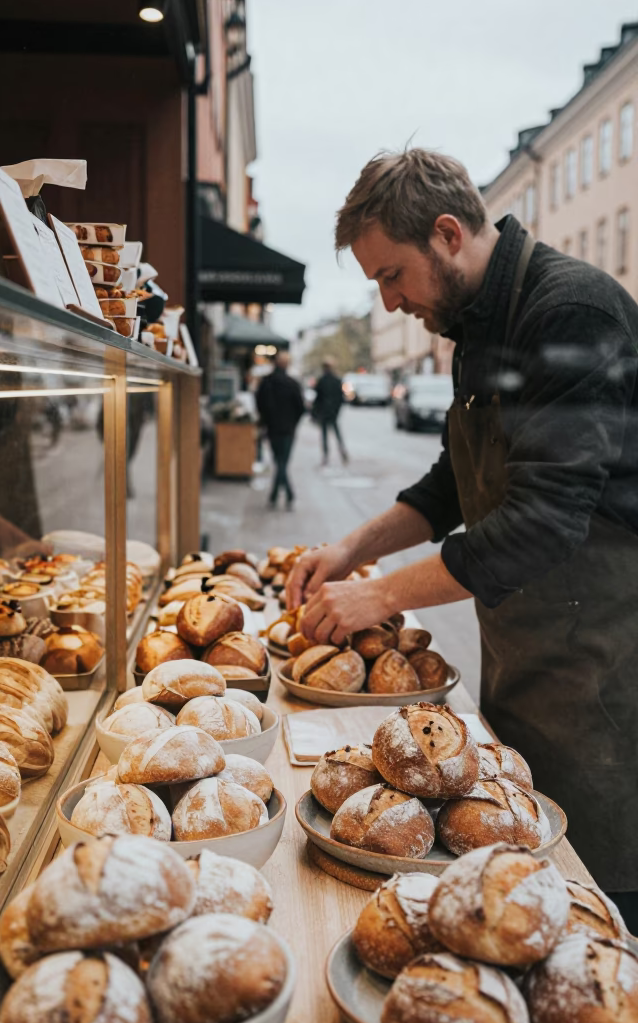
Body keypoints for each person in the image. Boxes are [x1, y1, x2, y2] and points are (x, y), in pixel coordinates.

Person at [286, 147, 638, 928]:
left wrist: (376, 594)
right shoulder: (479, 323)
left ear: (447, 233)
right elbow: (457, 479)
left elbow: (541, 522)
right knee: (521, 874)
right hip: (533, 653)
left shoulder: (569, 311)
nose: (386, 304)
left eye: (390, 276)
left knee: (600, 895)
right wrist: (353, 549)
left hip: (612, 671)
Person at [256, 351, 305, 509]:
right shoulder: (293, 383)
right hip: (288, 429)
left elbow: (259, 404)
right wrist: (293, 422)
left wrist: (265, 421)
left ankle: (275, 496)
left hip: (272, 428)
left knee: (279, 462)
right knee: (282, 463)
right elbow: (301, 408)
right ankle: (288, 496)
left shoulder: (266, 382)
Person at [312, 357, 348, 464]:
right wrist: (336, 410)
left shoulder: (322, 380)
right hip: (332, 412)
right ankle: (341, 451)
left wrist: (316, 412)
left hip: (324, 412)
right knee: (336, 433)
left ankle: (326, 455)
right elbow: (341, 398)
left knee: (325, 435)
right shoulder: (336, 380)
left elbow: (317, 398)